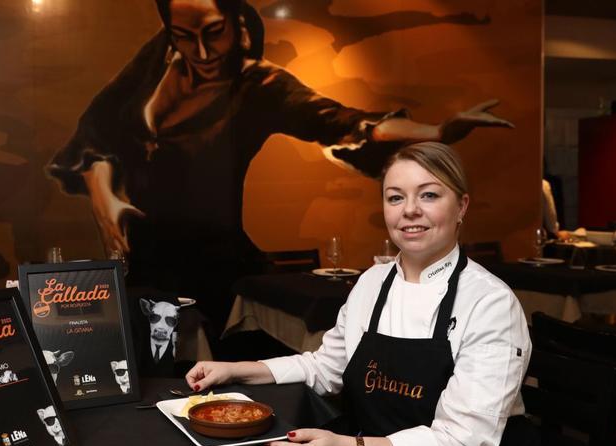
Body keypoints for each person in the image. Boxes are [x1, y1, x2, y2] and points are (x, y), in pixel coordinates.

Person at [47, 0, 513, 326]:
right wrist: (104, 200)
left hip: (213, 263)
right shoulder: (151, 71)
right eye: (185, 37)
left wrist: (437, 132)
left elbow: (346, 121)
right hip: (144, 262)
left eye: (214, 32)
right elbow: (98, 140)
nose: (203, 52)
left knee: (212, 380)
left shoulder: (259, 87)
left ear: (236, 21)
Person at [186, 142, 558, 446]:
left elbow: (463, 444)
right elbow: (324, 368)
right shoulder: (372, 283)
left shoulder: (490, 302)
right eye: (396, 197)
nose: (409, 210)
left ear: (461, 206)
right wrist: (236, 370)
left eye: (428, 195)